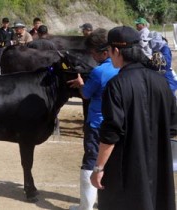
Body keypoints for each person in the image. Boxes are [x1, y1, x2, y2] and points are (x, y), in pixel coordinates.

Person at [90, 26, 177, 210]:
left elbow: (111, 132)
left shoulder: (116, 85)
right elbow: (173, 125)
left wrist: (98, 168)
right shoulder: (161, 81)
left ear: (115, 51)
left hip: (125, 168)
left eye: (109, 51)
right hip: (158, 165)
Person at [67, 28, 119, 210]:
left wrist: (81, 84)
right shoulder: (122, 67)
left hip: (97, 123)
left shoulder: (98, 72)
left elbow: (86, 95)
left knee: (91, 160)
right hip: (118, 122)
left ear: (105, 52)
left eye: (94, 52)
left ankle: (86, 207)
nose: (92, 56)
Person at [147, 31, 177, 97]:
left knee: (170, 99)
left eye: (150, 41)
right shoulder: (156, 49)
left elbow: (165, 64)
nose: (149, 43)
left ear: (155, 40)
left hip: (167, 79)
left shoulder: (165, 49)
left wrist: (154, 61)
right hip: (159, 79)